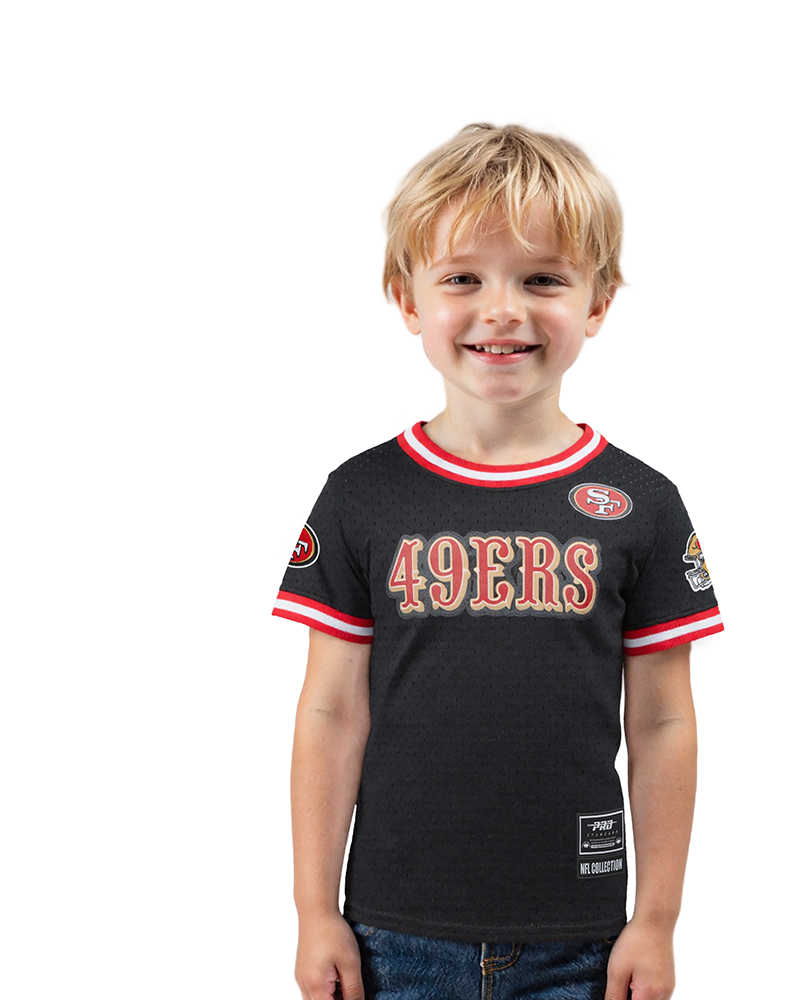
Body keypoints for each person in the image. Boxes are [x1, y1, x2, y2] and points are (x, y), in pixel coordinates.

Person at [273, 123, 723, 1000]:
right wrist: (312, 911)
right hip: (392, 938)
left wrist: (657, 920)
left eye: (542, 279)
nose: (503, 308)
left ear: (598, 303)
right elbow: (330, 710)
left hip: (584, 942)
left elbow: (664, 720)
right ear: (407, 299)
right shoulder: (362, 495)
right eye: (463, 278)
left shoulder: (642, 502)